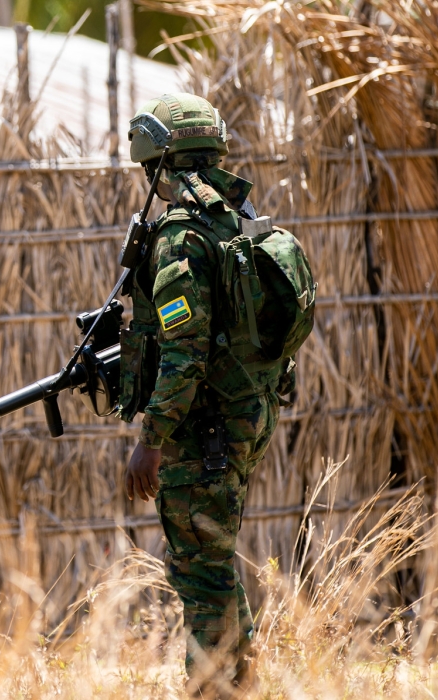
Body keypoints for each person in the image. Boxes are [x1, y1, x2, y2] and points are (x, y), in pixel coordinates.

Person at [119, 93, 306, 697]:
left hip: (203, 430)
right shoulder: (236, 218)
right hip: (244, 417)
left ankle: (214, 689)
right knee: (214, 563)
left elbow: (184, 352)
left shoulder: (181, 236)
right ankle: (238, 685)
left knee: (200, 572)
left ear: (159, 162)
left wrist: (150, 439)